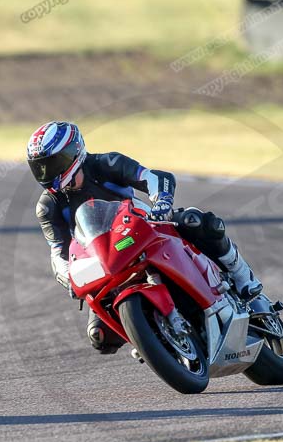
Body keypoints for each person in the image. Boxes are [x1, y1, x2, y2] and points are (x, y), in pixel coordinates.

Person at [29, 121, 262, 354]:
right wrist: (69, 277)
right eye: (39, 168)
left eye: (52, 164)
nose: (46, 173)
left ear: (74, 152)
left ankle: (242, 276)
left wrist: (162, 201)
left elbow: (153, 178)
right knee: (99, 336)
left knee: (198, 222)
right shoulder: (48, 207)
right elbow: (58, 253)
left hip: (147, 229)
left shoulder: (106, 164)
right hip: (106, 259)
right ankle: (151, 339)